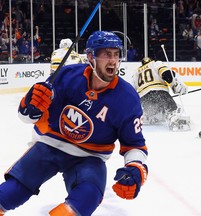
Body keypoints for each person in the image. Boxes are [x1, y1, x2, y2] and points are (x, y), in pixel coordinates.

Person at [0, 31, 148, 215]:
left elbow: (135, 144)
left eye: (116, 54)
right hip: (49, 144)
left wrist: (136, 168)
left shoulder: (127, 98)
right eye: (106, 54)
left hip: (90, 156)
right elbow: (27, 117)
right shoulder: (67, 76)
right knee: (13, 191)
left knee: (87, 197)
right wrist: (29, 107)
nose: (113, 61)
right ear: (91, 57)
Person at [132, 56, 190, 131]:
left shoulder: (136, 72)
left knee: (154, 111)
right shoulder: (155, 64)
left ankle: (150, 116)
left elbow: (131, 89)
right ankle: (174, 121)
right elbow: (166, 74)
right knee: (172, 110)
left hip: (144, 98)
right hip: (159, 92)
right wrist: (174, 85)